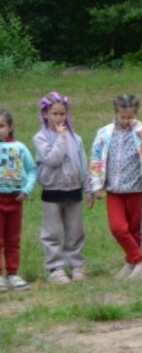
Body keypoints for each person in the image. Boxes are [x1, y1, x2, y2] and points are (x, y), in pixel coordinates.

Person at [90, 94, 142, 279]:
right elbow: (96, 159)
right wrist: (96, 185)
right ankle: (139, 261)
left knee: (134, 229)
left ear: (136, 114)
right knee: (118, 228)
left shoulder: (140, 132)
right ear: (116, 113)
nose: (126, 120)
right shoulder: (104, 133)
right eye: (122, 117)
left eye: (130, 117)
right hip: (113, 189)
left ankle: (131, 264)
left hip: (136, 188)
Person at [34, 92, 92, 284]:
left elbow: (83, 165)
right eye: (54, 114)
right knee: (51, 232)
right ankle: (55, 268)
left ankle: (76, 265)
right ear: (45, 114)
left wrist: (88, 188)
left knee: (75, 230)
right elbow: (52, 159)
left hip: (73, 190)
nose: (59, 118)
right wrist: (59, 138)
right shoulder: (40, 138)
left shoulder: (76, 139)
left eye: (62, 114)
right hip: (52, 191)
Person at [0, 109, 36, 291]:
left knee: (12, 239)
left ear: (10, 127)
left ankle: (13, 274)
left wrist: (26, 190)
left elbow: (31, 170)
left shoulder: (20, 148)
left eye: (1, 126)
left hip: (15, 199)